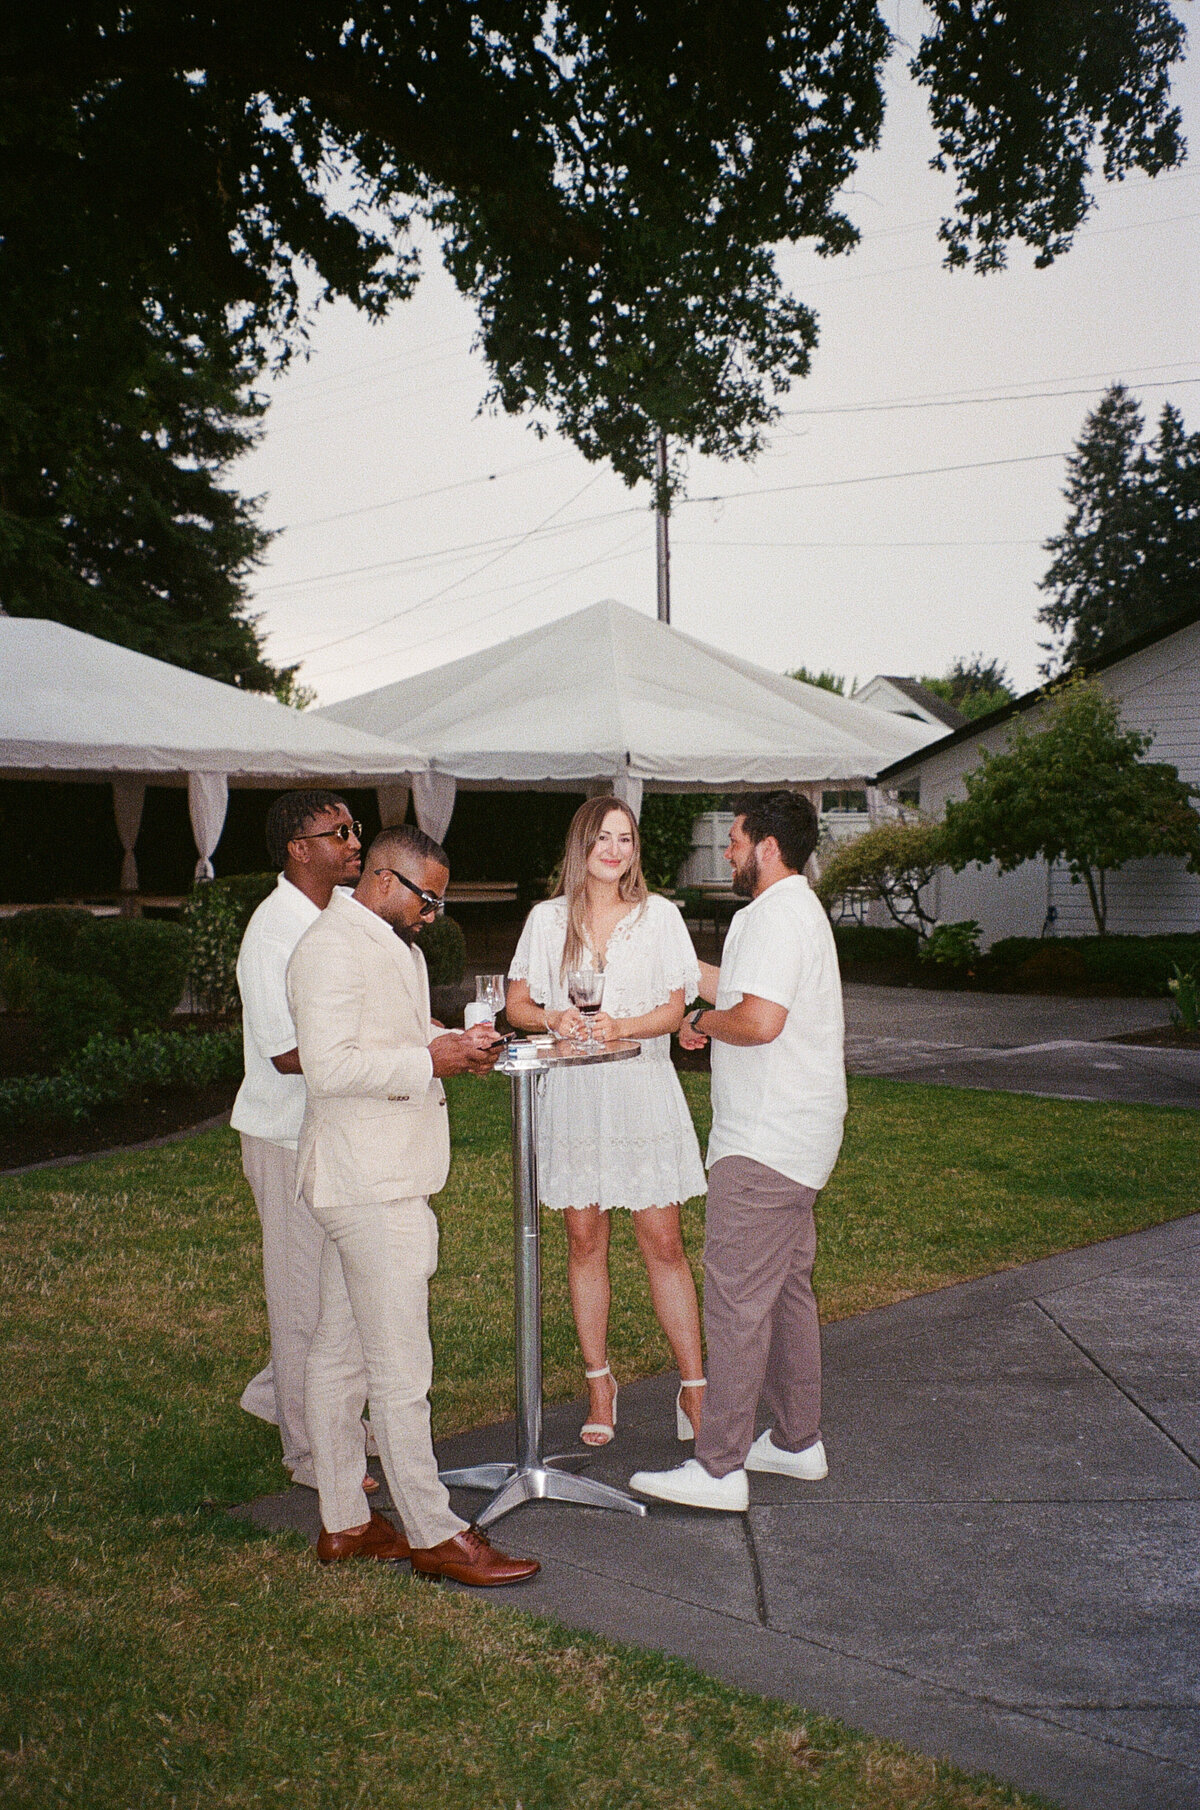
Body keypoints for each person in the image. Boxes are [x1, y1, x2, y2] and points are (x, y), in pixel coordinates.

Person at [287, 822, 540, 1585]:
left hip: (367, 1176)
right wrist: (428, 1059)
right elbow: (328, 1067)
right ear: (387, 883)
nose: (433, 916)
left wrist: (449, 1040)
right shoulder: (330, 945)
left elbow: (382, 1036)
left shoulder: (393, 945)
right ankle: (436, 1533)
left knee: (338, 1358)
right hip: (371, 1184)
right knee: (402, 1372)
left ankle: (345, 1522)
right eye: (428, 900)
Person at [629, 791, 847, 1512]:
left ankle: (718, 1468)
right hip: (800, 1136)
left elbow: (757, 1019)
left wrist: (707, 1024)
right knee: (785, 1296)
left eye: (734, 840)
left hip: (764, 1142)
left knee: (736, 1301)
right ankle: (795, 1442)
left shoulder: (770, 914)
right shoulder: (795, 912)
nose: (726, 853)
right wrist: (693, 990)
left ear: (768, 847)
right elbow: (745, 995)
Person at [505, 796, 708, 1448]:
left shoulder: (660, 918)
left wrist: (622, 1025)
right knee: (584, 1240)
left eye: (626, 838)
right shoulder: (546, 920)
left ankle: (695, 1387)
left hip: (640, 1092)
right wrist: (552, 1018)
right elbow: (516, 1003)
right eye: (604, 837)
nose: (616, 849)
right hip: (572, 1098)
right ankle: (600, 1382)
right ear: (582, 845)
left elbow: (676, 1009)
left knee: (665, 1243)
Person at [231, 789, 370, 1493]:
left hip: (337, 1129)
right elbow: (286, 1052)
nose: (354, 841)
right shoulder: (273, 930)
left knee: (341, 1287)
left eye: (354, 828)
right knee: (299, 1301)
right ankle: (311, 1454)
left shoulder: (340, 915)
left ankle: (286, 1398)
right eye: (337, 831)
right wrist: (387, 1052)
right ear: (298, 848)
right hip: (286, 1134)